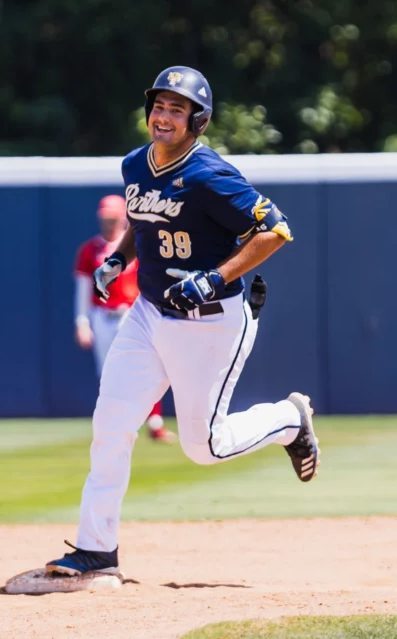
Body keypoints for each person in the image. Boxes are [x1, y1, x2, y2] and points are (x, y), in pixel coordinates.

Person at [45, 66, 320, 578]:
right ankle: (96, 549)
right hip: (149, 314)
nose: (164, 116)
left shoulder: (208, 174)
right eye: (160, 106)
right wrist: (118, 258)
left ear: (199, 122)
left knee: (204, 446)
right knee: (110, 424)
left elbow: (276, 229)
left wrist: (214, 278)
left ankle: (289, 420)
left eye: (178, 109)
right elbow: (142, 217)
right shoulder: (134, 164)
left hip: (210, 321)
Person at [74, 195, 175, 443]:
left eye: (114, 218)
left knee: (146, 366)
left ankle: (154, 423)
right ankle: (115, 424)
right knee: (107, 373)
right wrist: (81, 321)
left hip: (132, 313)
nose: (109, 223)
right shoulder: (91, 249)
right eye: (105, 218)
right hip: (102, 314)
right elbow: (83, 287)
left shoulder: (137, 245)